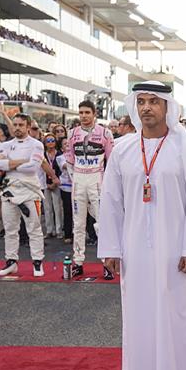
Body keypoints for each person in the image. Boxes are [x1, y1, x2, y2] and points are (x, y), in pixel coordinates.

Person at [98, 81, 186, 370]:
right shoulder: (123, 149)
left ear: (167, 107)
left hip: (175, 250)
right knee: (138, 316)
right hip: (134, 248)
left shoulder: (185, 147)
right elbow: (111, 202)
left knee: (177, 314)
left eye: (154, 102)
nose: (147, 107)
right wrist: (111, 248)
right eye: (141, 101)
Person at [65, 99, 114, 278]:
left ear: (95, 114)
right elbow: (69, 160)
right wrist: (74, 179)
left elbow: (112, 161)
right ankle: (78, 261)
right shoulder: (72, 134)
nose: (84, 116)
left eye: (87, 113)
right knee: (78, 224)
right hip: (78, 181)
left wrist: (106, 182)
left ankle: (107, 263)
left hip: (97, 180)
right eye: (81, 113)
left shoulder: (106, 133)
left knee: (102, 223)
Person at [0, 113, 45, 278]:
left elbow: (33, 167)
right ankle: (11, 262)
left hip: (30, 191)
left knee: (34, 229)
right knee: (10, 229)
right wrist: (22, 161)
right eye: (14, 125)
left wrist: (10, 164)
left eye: (20, 125)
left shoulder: (37, 145)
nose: (17, 128)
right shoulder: (6, 145)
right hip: (9, 190)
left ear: (28, 126)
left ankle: (37, 261)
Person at [41, 132, 63, 239]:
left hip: (57, 183)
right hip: (45, 183)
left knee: (57, 207)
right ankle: (49, 230)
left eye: (52, 141)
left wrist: (55, 182)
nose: (50, 143)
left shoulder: (59, 154)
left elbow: (61, 170)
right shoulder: (42, 154)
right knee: (47, 208)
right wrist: (46, 183)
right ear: (45, 143)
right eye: (48, 141)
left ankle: (59, 230)